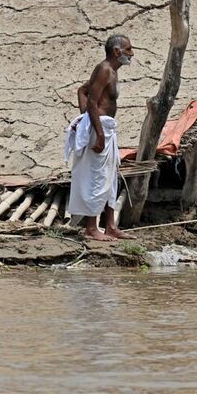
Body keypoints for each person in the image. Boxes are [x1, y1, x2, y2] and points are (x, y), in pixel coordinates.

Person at [63, 33, 134, 241]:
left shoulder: (112, 71)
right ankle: (91, 228)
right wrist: (96, 131)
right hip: (100, 128)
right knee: (95, 177)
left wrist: (87, 117)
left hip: (106, 127)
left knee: (110, 178)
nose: (132, 53)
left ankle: (110, 226)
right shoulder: (104, 69)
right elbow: (92, 101)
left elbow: (82, 90)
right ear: (117, 51)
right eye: (128, 49)